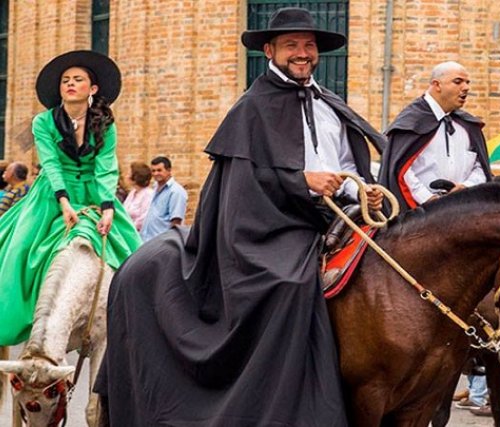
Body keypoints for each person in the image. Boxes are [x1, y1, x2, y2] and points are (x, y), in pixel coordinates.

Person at [94, 7, 386, 426]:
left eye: (308, 46)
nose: (302, 53)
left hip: (333, 215)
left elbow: (344, 165)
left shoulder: (329, 104)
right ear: (270, 50)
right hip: (266, 222)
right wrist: (302, 180)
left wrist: (362, 186)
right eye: (291, 46)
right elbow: (243, 179)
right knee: (287, 282)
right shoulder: (252, 106)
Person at [0, 50, 141, 345]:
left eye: (78, 79)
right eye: (65, 80)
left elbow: (105, 166)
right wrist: (63, 202)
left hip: (94, 192)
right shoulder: (43, 122)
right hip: (51, 193)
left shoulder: (105, 122)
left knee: (134, 252)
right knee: (18, 247)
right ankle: (12, 320)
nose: (70, 84)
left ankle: (132, 327)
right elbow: (50, 164)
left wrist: (107, 208)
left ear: (93, 89)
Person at [378, 61, 491, 209]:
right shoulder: (411, 122)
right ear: (437, 85)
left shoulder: (469, 126)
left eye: (467, 82)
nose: (466, 88)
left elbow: (481, 166)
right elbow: (400, 171)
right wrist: (429, 199)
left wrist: (466, 187)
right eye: (458, 82)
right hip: (417, 215)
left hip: (464, 211)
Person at [138, 156, 187, 241]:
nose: (156, 173)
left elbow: (176, 222)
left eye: (159, 170)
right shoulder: (155, 187)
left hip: (162, 243)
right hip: (147, 241)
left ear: (168, 170)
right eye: (153, 171)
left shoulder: (176, 191)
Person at [122, 161, 154, 231]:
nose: (126, 176)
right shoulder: (133, 192)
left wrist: (131, 228)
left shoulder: (148, 194)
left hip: (139, 234)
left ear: (135, 178)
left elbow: (144, 217)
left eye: (129, 173)